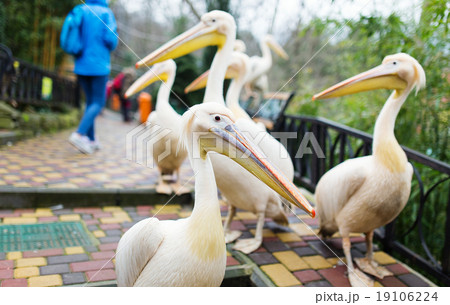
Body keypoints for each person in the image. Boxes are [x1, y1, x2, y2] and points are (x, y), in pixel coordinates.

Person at [67, 0, 118, 154]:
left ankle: (91, 139)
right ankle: (78, 134)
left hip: (81, 64)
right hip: (99, 65)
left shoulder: (80, 10)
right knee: (98, 102)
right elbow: (111, 40)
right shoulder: (106, 13)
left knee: (91, 102)